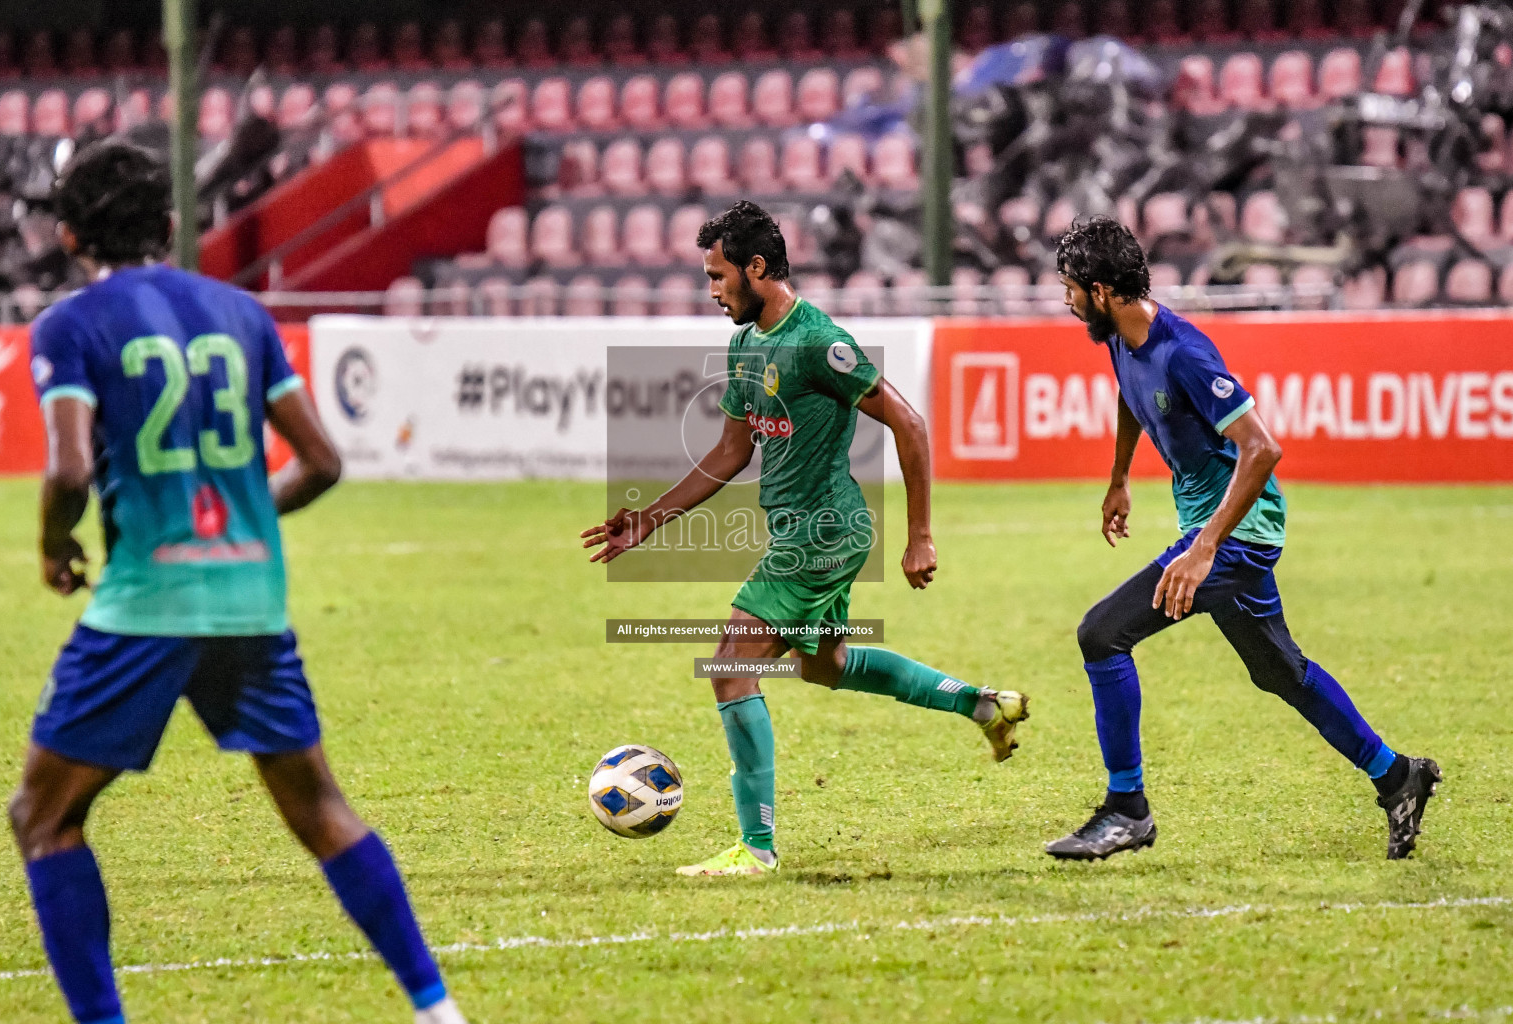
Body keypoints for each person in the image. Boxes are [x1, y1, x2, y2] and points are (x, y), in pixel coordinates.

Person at [7, 140, 469, 1024]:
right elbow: (324, 460)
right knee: (320, 808)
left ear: (69, 236)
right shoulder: (240, 312)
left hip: (147, 604)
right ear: (172, 225)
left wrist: (51, 550)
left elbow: (68, 470)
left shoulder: (69, 325)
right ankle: (435, 1008)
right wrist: (246, 520)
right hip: (249, 599)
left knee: (44, 816)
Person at [582, 201, 1030, 877]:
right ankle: (981, 703)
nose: (711, 290)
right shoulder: (744, 344)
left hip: (826, 528)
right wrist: (651, 518)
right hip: (802, 528)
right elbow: (732, 450)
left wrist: (921, 537)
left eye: (718, 275)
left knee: (732, 664)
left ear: (756, 268)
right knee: (824, 664)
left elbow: (910, 424)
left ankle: (755, 849)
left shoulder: (818, 342)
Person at [1047, 216, 1439, 861]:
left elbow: (1262, 449)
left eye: (1070, 289)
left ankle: (1128, 810)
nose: (1066, 302)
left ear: (1102, 289)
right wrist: (1119, 476)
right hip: (1215, 532)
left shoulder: (1184, 353)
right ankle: (1399, 776)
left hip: (1237, 535)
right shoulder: (1120, 336)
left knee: (1101, 634)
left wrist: (1202, 549)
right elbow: (1128, 394)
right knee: (1280, 671)